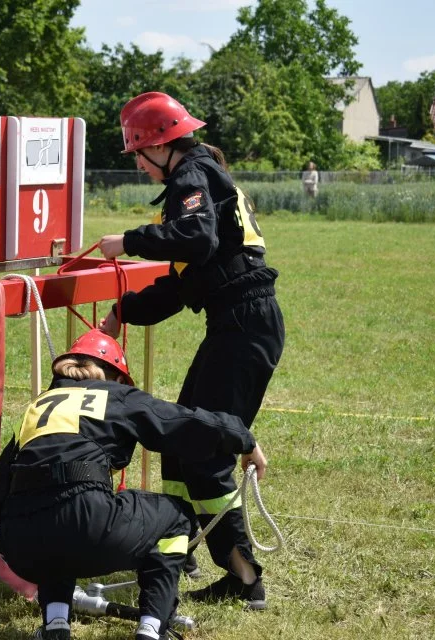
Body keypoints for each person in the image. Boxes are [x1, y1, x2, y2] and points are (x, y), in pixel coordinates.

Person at [96, 92, 284, 609]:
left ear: (161, 144)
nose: (136, 163)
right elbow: (181, 287)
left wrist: (130, 240)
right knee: (178, 441)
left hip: (245, 328)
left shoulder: (190, 176)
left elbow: (195, 240)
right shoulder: (196, 177)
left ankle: (245, 576)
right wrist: (124, 310)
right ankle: (177, 551)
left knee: (202, 449)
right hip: (236, 325)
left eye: (138, 151)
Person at [0, 330, 267, 640]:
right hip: (85, 520)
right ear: (115, 376)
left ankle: (55, 625)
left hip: (19, 543)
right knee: (178, 518)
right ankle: (152, 629)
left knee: (56, 530)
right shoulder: (114, 395)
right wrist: (243, 438)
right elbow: (182, 424)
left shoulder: (36, 408)